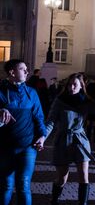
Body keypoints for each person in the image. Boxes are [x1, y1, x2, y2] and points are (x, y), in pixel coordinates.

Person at [45, 73, 95, 205]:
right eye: (70, 84)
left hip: (80, 139)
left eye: (75, 84)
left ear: (81, 86)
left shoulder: (85, 101)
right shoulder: (60, 100)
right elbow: (50, 121)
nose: (72, 87)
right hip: (62, 139)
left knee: (84, 176)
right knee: (62, 177)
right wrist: (42, 138)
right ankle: (54, 200)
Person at [0, 59, 47, 205]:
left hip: (28, 146)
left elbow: (39, 117)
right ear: (12, 72)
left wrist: (42, 136)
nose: (27, 71)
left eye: (27, 69)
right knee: (6, 186)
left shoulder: (31, 93)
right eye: (23, 69)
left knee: (24, 185)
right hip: (5, 147)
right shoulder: (1, 91)